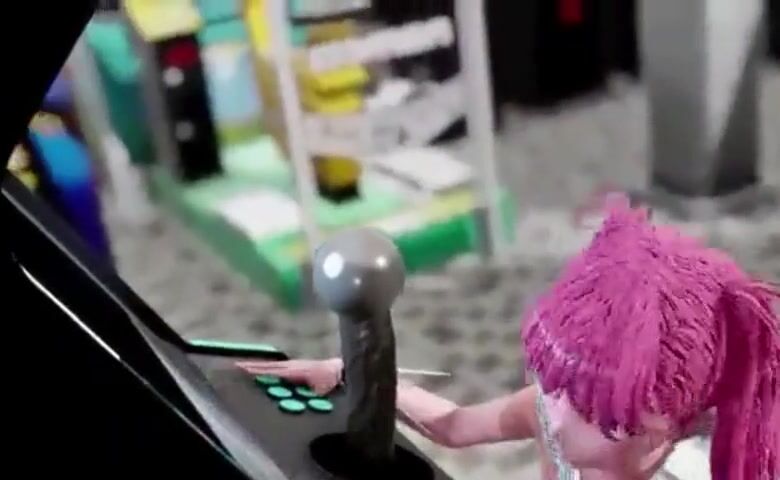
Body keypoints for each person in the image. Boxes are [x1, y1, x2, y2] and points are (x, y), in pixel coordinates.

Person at [238, 194, 780, 480]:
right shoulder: (548, 412)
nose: (560, 419)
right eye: (560, 388)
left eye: (604, 418)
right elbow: (454, 425)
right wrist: (348, 370)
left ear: (672, 430)